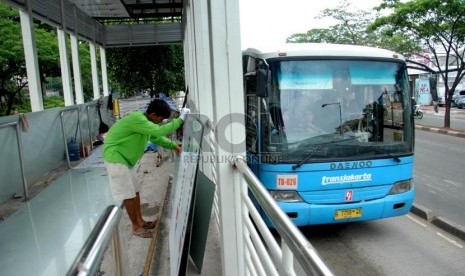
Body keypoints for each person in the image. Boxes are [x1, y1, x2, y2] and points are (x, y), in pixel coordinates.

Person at [103, 99, 190, 238]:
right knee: (128, 195)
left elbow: (156, 138)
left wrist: (174, 146)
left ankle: (140, 221)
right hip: (116, 159)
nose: (161, 122)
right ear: (153, 114)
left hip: (125, 161)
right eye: (160, 119)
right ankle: (135, 227)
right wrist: (180, 120)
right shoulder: (138, 119)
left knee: (135, 192)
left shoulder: (145, 123)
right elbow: (160, 130)